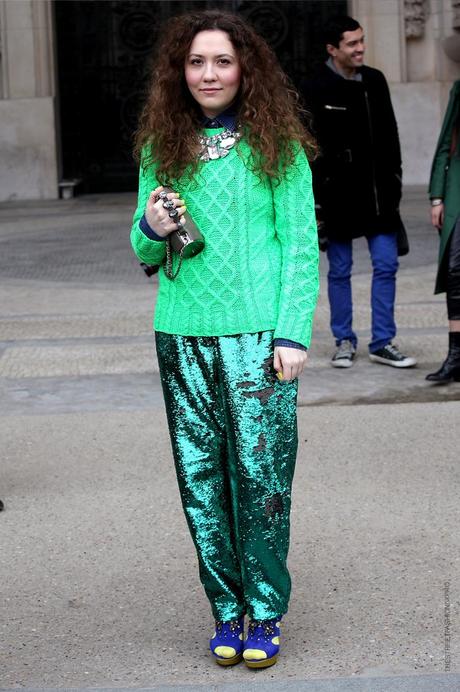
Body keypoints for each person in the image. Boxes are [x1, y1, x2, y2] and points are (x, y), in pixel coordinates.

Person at [130, 10, 319, 669]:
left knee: (260, 479)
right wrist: (152, 224)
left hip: (259, 339)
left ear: (246, 70)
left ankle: (264, 610)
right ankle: (227, 609)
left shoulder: (279, 145)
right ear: (179, 72)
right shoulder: (163, 143)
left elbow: (301, 247)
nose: (208, 74)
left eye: (222, 61)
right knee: (201, 481)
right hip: (180, 335)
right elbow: (141, 246)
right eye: (195, 62)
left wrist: (294, 332)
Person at [301, 15, 416, 369]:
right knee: (340, 270)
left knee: (386, 264)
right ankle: (344, 340)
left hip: (380, 195)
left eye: (361, 40)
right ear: (332, 49)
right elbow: (309, 147)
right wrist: (317, 199)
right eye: (352, 43)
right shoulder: (315, 85)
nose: (360, 48)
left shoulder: (376, 80)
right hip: (337, 197)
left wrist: (395, 179)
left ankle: (383, 341)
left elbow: (391, 134)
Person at [427, 80, 460, 383]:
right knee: (455, 269)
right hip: (457, 194)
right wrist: (437, 196)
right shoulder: (459, 88)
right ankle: (456, 356)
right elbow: (443, 147)